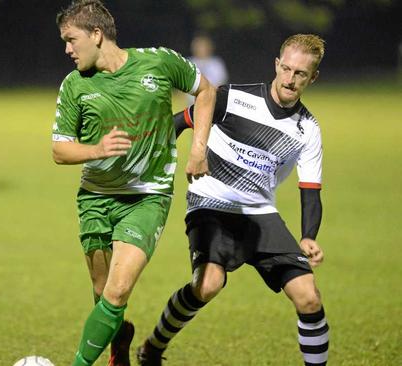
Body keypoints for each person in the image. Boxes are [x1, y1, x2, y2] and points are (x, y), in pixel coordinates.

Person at [136, 34, 329, 366]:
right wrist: (148, 158)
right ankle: (153, 347)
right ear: (276, 65)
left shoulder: (308, 129)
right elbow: (177, 123)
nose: (290, 79)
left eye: (300, 73)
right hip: (211, 203)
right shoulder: (231, 98)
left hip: (260, 213)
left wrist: (309, 235)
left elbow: (310, 190)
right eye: (286, 68)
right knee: (208, 285)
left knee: (309, 297)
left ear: (313, 78)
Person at [52, 1, 216, 365]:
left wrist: (198, 148)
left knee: (118, 288)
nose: (66, 49)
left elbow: (206, 91)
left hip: (147, 196)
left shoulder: (159, 62)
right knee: (102, 291)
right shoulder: (75, 86)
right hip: (95, 197)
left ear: (96, 35)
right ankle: (119, 337)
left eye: (71, 39)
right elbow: (59, 151)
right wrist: (96, 149)